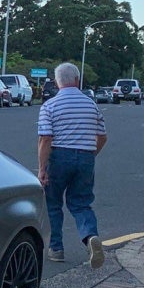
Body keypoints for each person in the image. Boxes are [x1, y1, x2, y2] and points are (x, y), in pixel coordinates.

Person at [37, 61, 107, 267]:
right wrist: (90, 154)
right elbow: (102, 136)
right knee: (81, 203)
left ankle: (56, 248)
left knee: (53, 203)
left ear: (57, 82)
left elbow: (45, 139)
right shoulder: (91, 105)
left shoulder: (49, 106)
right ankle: (90, 237)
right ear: (77, 80)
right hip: (85, 157)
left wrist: (42, 169)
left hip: (59, 157)